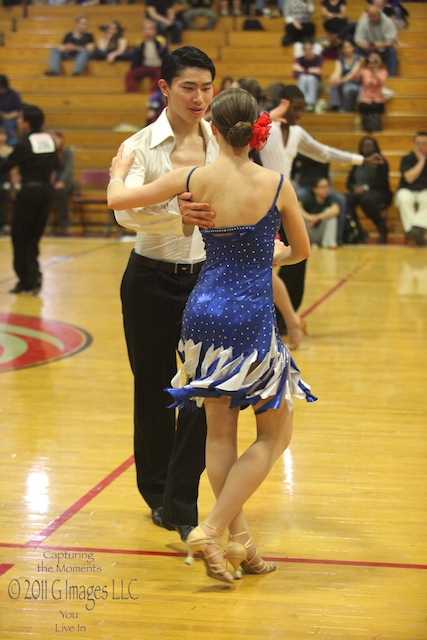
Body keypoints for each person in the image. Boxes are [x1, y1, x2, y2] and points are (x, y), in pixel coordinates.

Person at [108, 87, 314, 584]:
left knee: (219, 433)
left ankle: (240, 546)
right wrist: (269, 255)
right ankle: (214, 526)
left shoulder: (194, 177)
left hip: (201, 314)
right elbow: (301, 251)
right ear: (256, 131)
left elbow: (119, 201)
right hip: (248, 315)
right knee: (275, 434)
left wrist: (118, 170)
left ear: (214, 131)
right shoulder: (276, 184)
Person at [113, 46, 219, 543]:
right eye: (188, 87)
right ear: (165, 88)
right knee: (153, 388)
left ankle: (182, 497)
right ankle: (157, 494)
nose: (199, 97)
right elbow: (123, 212)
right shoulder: (140, 145)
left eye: (206, 87)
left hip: (204, 277)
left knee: (202, 389)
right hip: (149, 280)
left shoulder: (220, 142)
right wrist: (173, 216)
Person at [259, 83, 383, 318]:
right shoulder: (266, 128)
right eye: (296, 108)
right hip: (261, 207)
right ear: (283, 104)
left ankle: (287, 316)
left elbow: (323, 152)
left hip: (285, 205)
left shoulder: (297, 133)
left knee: (298, 257)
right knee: (264, 266)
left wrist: (360, 160)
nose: (300, 114)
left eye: (303, 109)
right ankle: (266, 317)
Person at [0, 105, 57, 295]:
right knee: (33, 237)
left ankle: (25, 280)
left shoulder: (24, 143)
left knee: (20, 236)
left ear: (26, 123)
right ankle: (34, 277)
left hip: (29, 194)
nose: (17, 122)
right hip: (46, 193)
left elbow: (8, 164)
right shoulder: (49, 140)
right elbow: (58, 164)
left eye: (20, 119)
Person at [345, 136, 392, 244]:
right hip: (359, 193)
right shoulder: (358, 162)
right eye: (364, 146)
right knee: (346, 200)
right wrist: (354, 188)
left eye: (369, 146)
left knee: (366, 200)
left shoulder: (381, 161)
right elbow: (349, 182)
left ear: (375, 147)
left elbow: (382, 181)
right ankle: (359, 231)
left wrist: (365, 188)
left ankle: (382, 228)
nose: (367, 148)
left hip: (379, 192)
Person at [395, 131, 427, 247]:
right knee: (403, 199)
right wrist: (422, 161)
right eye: (418, 143)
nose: (421, 147)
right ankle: (416, 234)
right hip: (407, 190)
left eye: (424, 144)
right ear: (414, 144)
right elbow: (409, 178)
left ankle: (414, 232)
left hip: (425, 191)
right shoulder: (407, 158)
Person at [125, 19, 169, 93]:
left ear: (154, 31)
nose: (148, 31)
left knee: (160, 76)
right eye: (146, 29)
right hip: (145, 66)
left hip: (157, 66)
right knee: (130, 74)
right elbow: (135, 59)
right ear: (143, 31)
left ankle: (153, 95)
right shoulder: (139, 43)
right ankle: (131, 94)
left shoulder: (161, 42)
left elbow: (165, 56)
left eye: (150, 29)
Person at [354, 5, 398, 77]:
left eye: (375, 16)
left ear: (379, 14)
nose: (373, 18)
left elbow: (391, 41)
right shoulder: (363, 23)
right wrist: (364, 45)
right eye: (371, 17)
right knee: (357, 49)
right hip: (368, 50)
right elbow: (358, 40)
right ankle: (356, 75)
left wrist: (382, 44)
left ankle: (391, 77)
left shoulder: (388, 22)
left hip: (383, 49)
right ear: (368, 16)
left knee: (392, 51)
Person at [49, 130, 77, 235]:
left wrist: (61, 182)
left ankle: (65, 224)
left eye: (56, 138)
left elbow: (68, 169)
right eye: (52, 139)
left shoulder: (67, 152)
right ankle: (46, 225)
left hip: (67, 181)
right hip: (53, 182)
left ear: (61, 139)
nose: (54, 141)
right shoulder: (50, 154)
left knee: (61, 192)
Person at [300, 176, 340, 247]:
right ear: (315, 189)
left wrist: (318, 217)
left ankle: (330, 243)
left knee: (331, 215)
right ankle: (301, 243)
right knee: (300, 216)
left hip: (322, 233)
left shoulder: (330, 199)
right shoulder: (308, 198)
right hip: (308, 230)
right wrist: (310, 217)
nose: (326, 190)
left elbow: (336, 210)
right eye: (322, 187)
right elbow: (296, 208)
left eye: (327, 187)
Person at [327, 39, 362, 112]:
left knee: (347, 89)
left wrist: (341, 80)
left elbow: (352, 74)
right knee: (334, 84)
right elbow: (337, 72)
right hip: (343, 83)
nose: (347, 50)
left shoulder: (359, 59)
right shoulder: (340, 60)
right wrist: (333, 79)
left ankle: (347, 110)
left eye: (349, 47)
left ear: (353, 48)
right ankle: (335, 106)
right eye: (345, 48)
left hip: (356, 83)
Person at [356, 51, 387, 132]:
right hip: (366, 99)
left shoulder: (383, 71)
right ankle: (368, 127)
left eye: (376, 61)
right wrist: (360, 65)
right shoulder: (364, 71)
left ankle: (375, 127)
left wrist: (375, 72)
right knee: (365, 107)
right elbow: (361, 80)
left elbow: (381, 81)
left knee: (377, 107)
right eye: (372, 61)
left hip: (378, 100)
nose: (374, 63)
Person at [292, 40, 323, 112]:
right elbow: (295, 74)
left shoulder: (318, 58)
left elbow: (318, 72)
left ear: (312, 50)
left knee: (310, 78)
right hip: (303, 82)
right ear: (303, 51)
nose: (308, 51)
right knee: (303, 78)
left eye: (309, 49)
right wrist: (310, 70)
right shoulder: (299, 59)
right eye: (306, 50)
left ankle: (310, 103)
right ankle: (302, 102)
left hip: (316, 84)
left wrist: (303, 70)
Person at [0, 74, 22, 146]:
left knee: (8, 124)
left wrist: (8, 116)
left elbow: (19, 111)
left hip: (10, 118)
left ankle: (13, 144)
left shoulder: (13, 94)